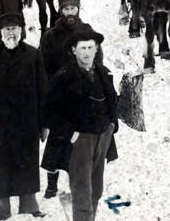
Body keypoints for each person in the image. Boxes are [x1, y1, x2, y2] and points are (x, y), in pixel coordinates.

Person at [42, 23, 119, 221]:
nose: (86, 52)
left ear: (96, 49)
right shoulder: (63, 77)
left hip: (102, 136)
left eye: (90, 47)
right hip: (79, 141)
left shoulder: (104, 73)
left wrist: (111, 126)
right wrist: (70, 134)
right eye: (82, 48)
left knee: (96, 189)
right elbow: (48, 112)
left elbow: (112, 101)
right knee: (82, 190)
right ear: (74, 50)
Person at [0, 12, 48, 220]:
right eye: (7, 29)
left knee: (27, 164)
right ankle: (2, 210)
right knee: (0, 169)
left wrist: (44, 125)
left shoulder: (33, 55)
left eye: (14, 28)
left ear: (21, 31)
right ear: (0, 33)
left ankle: (29, 205)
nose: (11, 33)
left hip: (27, 124)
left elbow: (43, 92)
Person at [39, 0, 87, 199]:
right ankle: (52, 185)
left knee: (80, 142)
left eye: (73, 9)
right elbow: (43, 65)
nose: (69, 13)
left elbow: (97, 60)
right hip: (59, 96)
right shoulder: (51, 35)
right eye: (66, 9)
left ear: (78, 9)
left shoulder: (87, 32)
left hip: (82, 96)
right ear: (60, 11)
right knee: (57, 142)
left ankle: (79, 184)